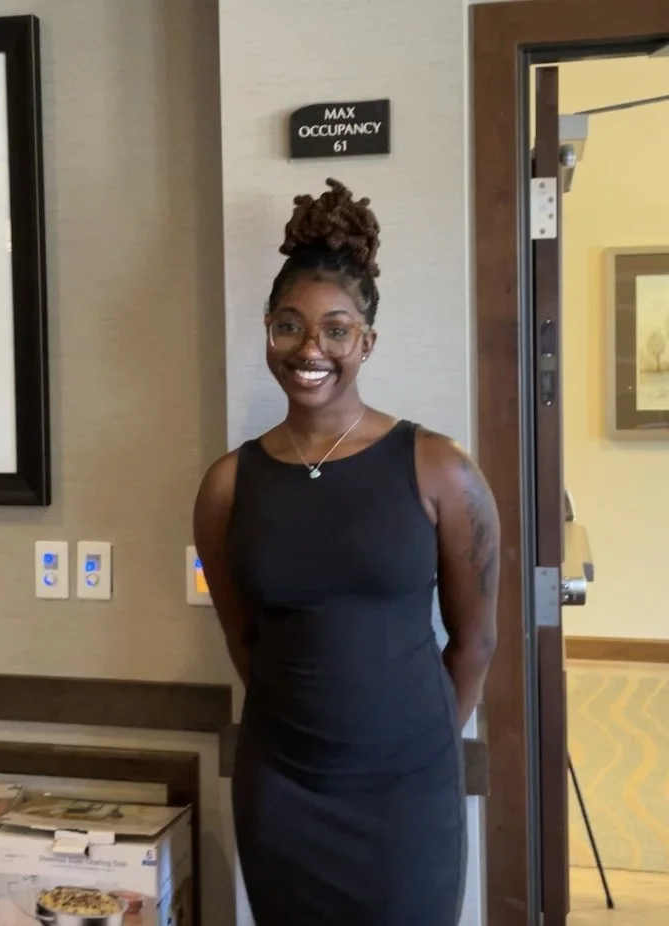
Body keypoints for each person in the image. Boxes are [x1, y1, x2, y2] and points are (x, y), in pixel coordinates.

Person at [193, 178, 500, 926]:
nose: (311, 349)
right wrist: (304, 728)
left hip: (408, 794)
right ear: (268, 330)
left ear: (367, 341)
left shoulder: (439, 468)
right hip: (282, 789)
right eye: (289, 326)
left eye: (336, 330)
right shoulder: (228, 485)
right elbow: (242, 637)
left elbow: (475, 641)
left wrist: (413, 744)